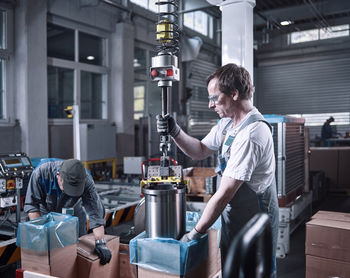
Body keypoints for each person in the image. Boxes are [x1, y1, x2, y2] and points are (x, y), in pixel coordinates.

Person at [157, 63, 279, 276]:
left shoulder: (251, 134)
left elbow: (223, 194)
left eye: (214, 98)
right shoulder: (228, 124)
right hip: (236, 216)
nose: (211, 105)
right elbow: (200, 149)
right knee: (232, 268)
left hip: (256, 220)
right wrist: (175, 131)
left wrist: (194, 233)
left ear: (234, 94)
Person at [24, 158, 112, 265]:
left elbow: (95, 210)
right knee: (48, 248)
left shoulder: (86, 179)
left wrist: (100, 242)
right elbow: (32, 206)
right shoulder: (41, 173)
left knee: (79, 244)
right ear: (58, 176)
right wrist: (40, 233)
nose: (69, 192)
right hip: (46, 211)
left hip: (73, 209)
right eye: (68, 188)